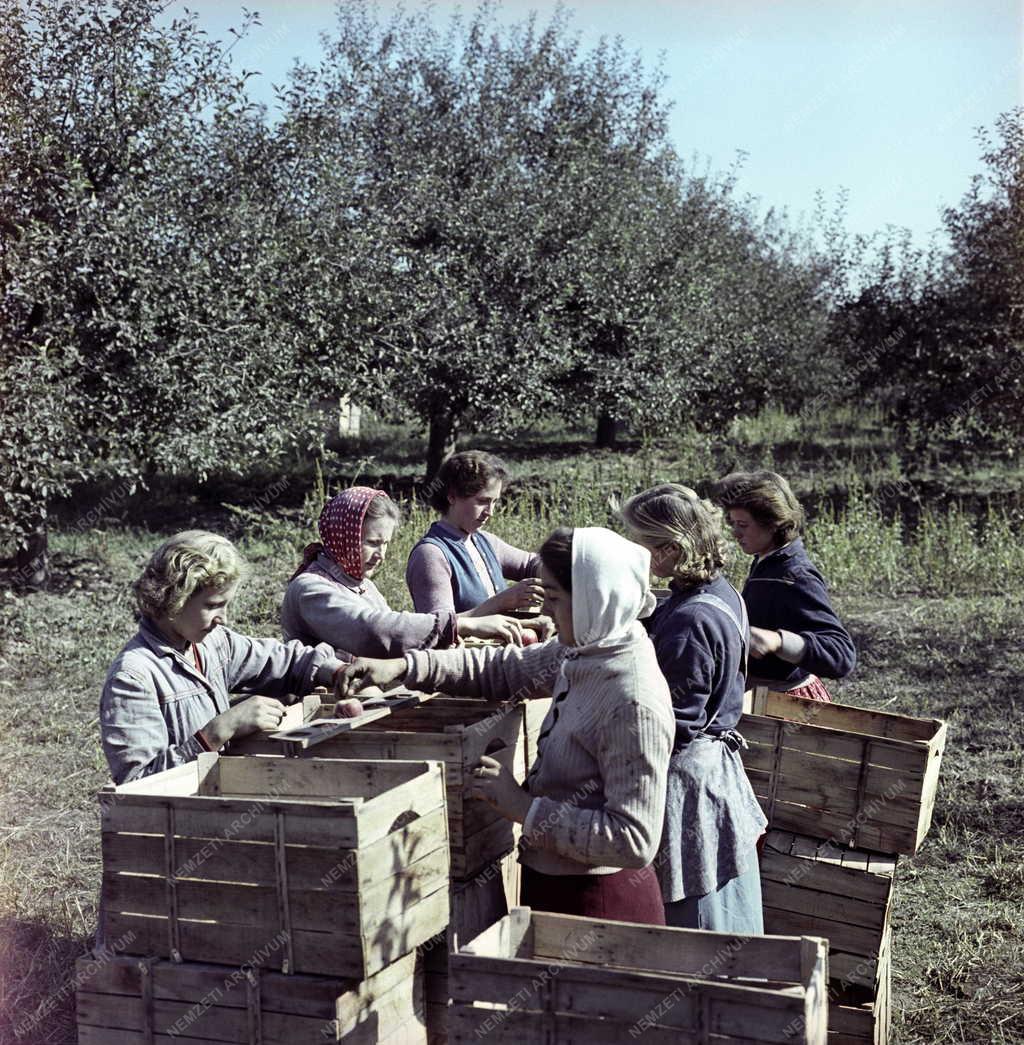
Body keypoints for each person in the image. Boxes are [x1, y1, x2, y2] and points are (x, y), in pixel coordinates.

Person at [339, 526, 674, 925]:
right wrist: (405, 666)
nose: (545, 612)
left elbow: (633, 840)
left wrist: (523, 808)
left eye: (553, 598)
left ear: (593, 598)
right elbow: (503, 668)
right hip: (553, 887)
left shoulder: (632, 699)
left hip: (598, 904)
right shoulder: (586, 648)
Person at [100, 530, 361, 785]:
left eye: (225, 605)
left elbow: (280, 661)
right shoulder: (134, 677)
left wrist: (337, 672)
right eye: (212, 606)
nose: (222, 618)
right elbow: (137, 785)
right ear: (174, 598)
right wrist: (219, 731)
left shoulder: (212, 643)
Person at [621, 484, 767, 933]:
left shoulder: (692, 621)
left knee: (697, 922)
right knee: (726, 911)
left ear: (668, 549)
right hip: (716, 773)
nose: (630, 552)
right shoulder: (720, 593)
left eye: (637, 543)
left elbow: (676, 725)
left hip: (689, 787)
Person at [282, 487, 534, 659]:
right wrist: (460, 625)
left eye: (386, 544)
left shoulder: (361, 585)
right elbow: (373, 631)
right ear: (343, 537)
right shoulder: (311, 589)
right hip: (320, 706)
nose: (381, 554)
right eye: (372, 542)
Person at [711, 470, 856, 701]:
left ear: (773, 523)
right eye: (733, 523)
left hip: (786, 703)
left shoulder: (795, 575)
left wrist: (778, 641)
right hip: (760, 695)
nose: (735, 533)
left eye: (743, 525)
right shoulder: (766, 561)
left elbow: (841, 655)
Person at [406, 451, 544, 620]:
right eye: (482, 501)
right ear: (452, 496)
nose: (490, 512)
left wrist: (564, 568)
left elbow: (530, 564)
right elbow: (437, 627)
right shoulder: (431, 555)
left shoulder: (484, 541)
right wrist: (501, 602)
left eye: (494, 502)